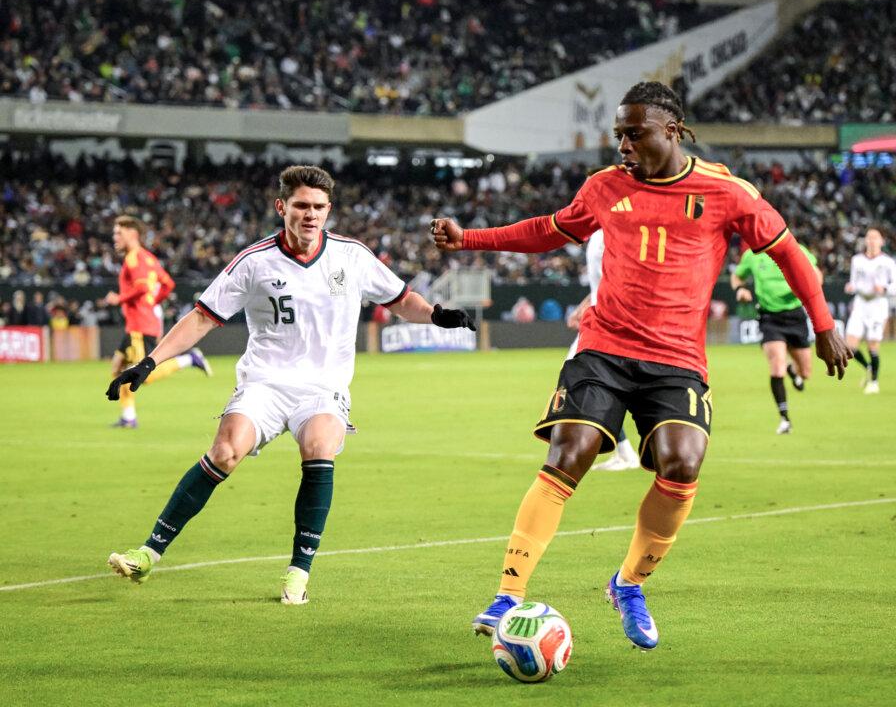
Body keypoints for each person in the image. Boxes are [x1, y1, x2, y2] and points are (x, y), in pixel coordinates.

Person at [432, 82, 850, 650]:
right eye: (619, 135)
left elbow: (788, 253)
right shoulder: (604, 187)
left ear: (671, 131)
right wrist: (470, 240)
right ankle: (508, 593)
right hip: (603, 347)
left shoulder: (727, 192)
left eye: (635, 134)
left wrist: (823, 326)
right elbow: (549, 230)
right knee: (569, 453)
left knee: (683, 464)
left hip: (676, 360)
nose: (623, 145)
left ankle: (628, 583)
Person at [105, 165, 476, 604]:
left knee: (319, 445)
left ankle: (298, 572)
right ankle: (149, 553)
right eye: (301, 205)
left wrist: (436, 315)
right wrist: (149, 362)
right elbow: (203, 317)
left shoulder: (352, 256)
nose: (310, 214)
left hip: (323, 387)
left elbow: (400, 299)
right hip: (265, 382)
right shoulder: (254, 261)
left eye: (319, 207)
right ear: (282, 207)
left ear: (329, 210)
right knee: (225, 451)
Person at [105, 215, 211, 428]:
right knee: (118, 367)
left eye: (119, 233)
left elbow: (143, 287)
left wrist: (119, 298)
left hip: (139, 326)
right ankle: (128, 417)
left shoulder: (133, 258)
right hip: (142, 322)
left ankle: (189, 359)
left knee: (142, 375)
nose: (114, 237)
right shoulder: (149, 258)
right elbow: (168, 284)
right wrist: (153, 302)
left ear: (132, 234)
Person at [731, 240, 823, 434]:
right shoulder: (752, 255)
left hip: (795, 316)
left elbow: (816, 274)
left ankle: (791, 369)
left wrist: (809, 288)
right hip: (769, 318)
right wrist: (740, 289)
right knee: (776, 366)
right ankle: (784, 419)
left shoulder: (797, 249)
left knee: (805, 372)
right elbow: (737, 276)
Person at [566, 230, 639, 470]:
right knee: (582, 381)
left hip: (608, 322)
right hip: (600, 318)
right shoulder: (600, 233)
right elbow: (603, 280)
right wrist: (584, 305)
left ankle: (622, 451)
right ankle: (623, 450)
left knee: (581, 380)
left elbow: (620, 278)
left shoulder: (611, 231)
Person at [844, 228, 896, 394]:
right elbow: (854, 282)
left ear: (881, 242)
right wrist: (851, 287)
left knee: (873, 346)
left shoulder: (887, 262)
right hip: (860, 304)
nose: (871, 241)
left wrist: (884, 289)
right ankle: (868, 367)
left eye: (875, 238)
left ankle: (874, 382)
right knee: (849, 346)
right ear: (865, 241)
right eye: (869, 237)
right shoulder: (857, 260)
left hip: (878, 305)